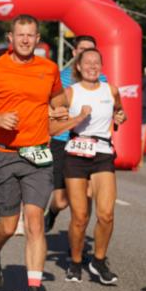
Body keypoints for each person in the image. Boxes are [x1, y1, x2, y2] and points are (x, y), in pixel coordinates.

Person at [0, 15, 68, 291]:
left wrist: (59, 107)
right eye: (20, 35)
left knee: (35, 222)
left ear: (38, 39)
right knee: (9, 227)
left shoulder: (48, 69)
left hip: (38, 155)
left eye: (31, 35)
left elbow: (58, 96)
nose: (25, 40)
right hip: (5, 155)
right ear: (11, 38)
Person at [50, 48, 125, 284]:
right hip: (75, 155)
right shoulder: (70, 93)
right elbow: (53, 118)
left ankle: (99, 260)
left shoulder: (111, 90)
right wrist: (76, 118)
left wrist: (121, 117)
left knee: (106, 214)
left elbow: (119, 112)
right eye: (88, 63)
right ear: (79, 67)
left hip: (103, 153)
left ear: (102, 66)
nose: (92, 67)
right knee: (80, 216)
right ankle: (75, 261)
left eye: (97, 63)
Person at [45, 35, 105, 232]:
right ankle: (52, 212)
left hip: (89, 143)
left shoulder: (103, 80)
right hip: (62, 141)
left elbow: (111, 107)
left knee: (85, 195)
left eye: (91, 51)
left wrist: (118, 115)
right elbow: (49, 108)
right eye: (82, 51)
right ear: (74, 53)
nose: (87, 56)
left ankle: (76, 242)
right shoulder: (61, 77)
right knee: (62, 201)